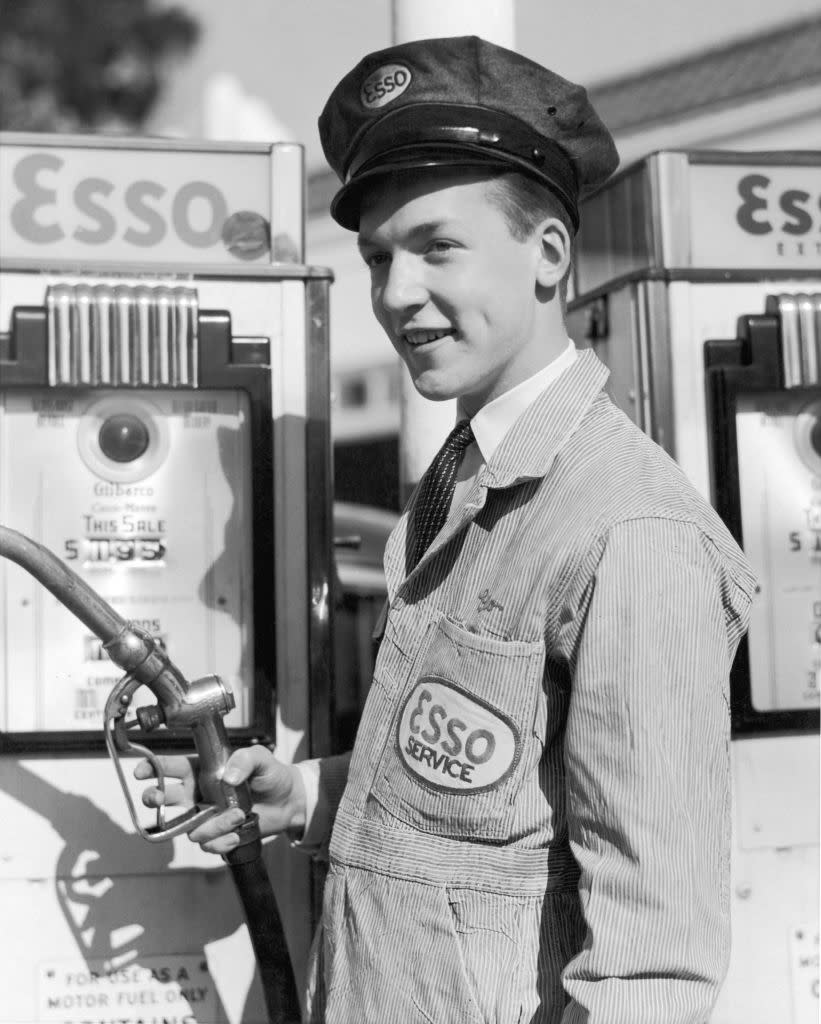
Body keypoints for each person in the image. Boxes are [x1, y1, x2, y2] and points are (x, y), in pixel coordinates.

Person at [137, 36, 757, 1023]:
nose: (394, 293)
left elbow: (652, 964)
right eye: (379, 256)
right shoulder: (460, 484)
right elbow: (480, 804)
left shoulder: (628, 530)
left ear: (548, 253)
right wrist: (300, 795)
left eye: (436, 246)